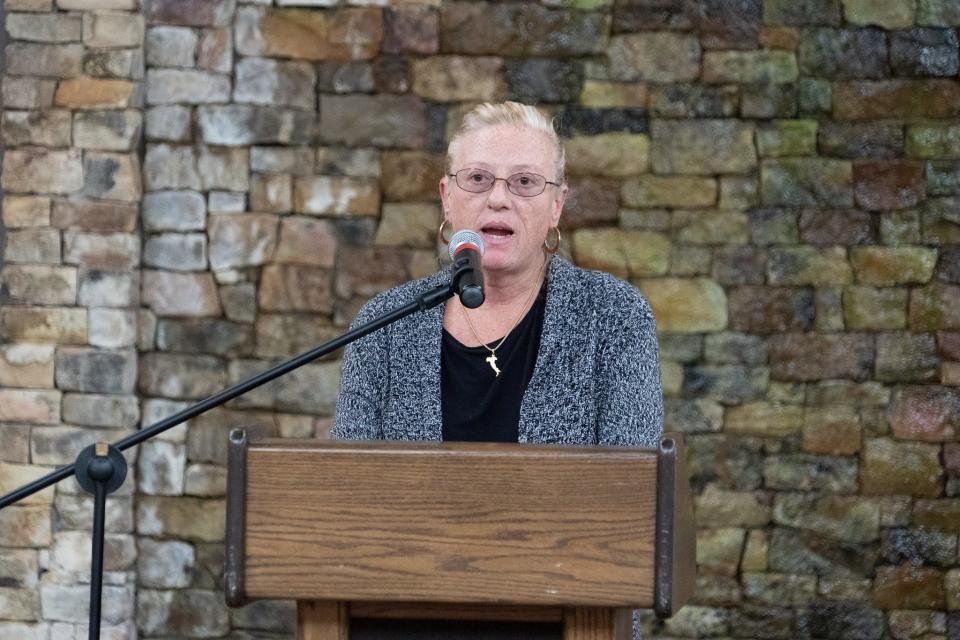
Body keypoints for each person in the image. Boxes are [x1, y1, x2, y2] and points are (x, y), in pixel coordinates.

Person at [331, 101, 663, 638]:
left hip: (560, 620)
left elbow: (627, 503)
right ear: (447, 197)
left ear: (557, 205)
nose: (499, 197)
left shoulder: (614, 317)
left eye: (526, 182)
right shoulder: (383, 325)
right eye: (478, 178)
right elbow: (349, 506)